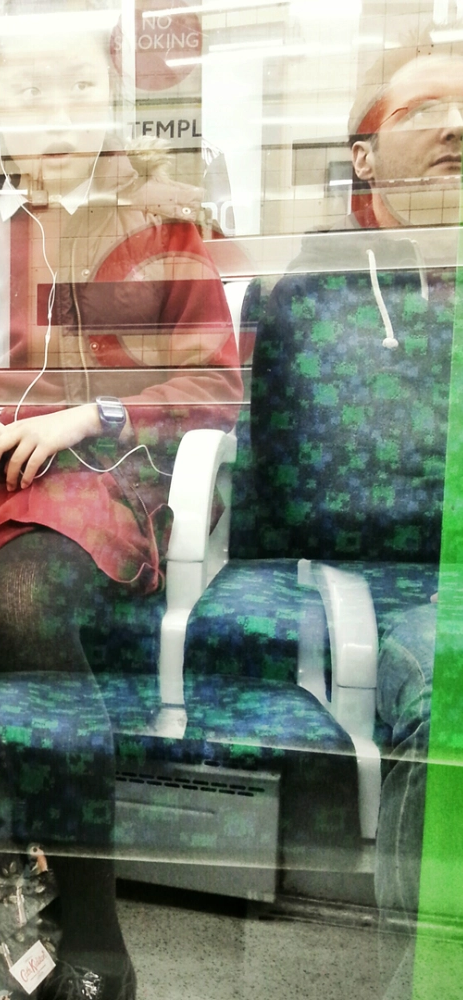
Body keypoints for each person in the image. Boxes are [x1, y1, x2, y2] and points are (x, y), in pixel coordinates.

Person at [0, 5, 242, 998]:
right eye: (26, 91)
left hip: (103, 468)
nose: (54, 113)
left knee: (22, 598)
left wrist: (91, 412)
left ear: (112, 99)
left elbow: (216, 381)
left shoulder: (160, 223)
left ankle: (91, 922)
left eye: (78, 88)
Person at [244, 45, 463, 999]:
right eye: (425, 110)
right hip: (408, 579)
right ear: (364, 157)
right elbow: (323, 492)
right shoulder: (321, 290)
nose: (457, 127)